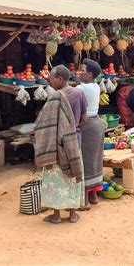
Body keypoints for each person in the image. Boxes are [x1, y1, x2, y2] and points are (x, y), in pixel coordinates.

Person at [34, 67, 85, 224]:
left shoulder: (54, 97)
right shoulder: (79, 93)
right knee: (73, 174)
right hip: (74, 140)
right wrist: (71, 127)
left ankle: (56, 215)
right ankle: (73, 215)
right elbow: (84, 118)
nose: (50, 81)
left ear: (61, 80)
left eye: (52, 79)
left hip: (55, 144)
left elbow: (43, 122)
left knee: (56, 178)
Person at [77, 59, 105, 209]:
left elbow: (66, 91)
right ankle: (93, 195)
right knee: (95, 159)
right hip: (97, 125)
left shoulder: (82, 89)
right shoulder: (95, 86)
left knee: (84, 160)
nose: (79, 73)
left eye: (82, 70)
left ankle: (85, 200)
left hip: (87, 126)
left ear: (89, 74)